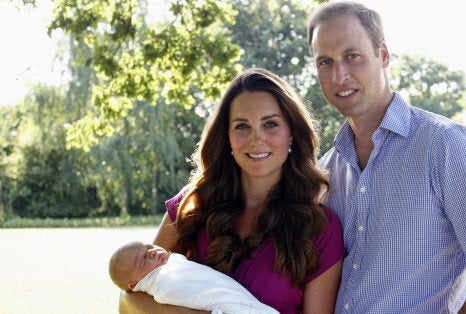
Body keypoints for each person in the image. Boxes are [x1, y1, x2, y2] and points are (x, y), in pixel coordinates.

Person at [307, 1, 466, 313]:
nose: (339, 76)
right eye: (325, 62)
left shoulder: (446, 145)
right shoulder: (329, 169)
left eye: (352, 56)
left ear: (383, 55)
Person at [119, 67, 345, 314]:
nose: (256, 139)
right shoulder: (191, 204)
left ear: (292, 134)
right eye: (242, 126)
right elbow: (129, 299)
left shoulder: (320, 228)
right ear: (226, 135)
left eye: (270, 124)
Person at [109, 240, 279, 313]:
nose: (152, 253)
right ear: (134, 284)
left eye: (149, 247)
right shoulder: (164, 285)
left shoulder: (173, 265)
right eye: (143, 259)